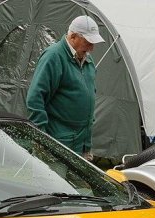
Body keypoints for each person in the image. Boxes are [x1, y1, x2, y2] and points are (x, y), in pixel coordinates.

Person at [26, 15, 104, 160]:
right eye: (88, 42)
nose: (92, 48)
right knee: (54, 183)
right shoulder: (53, 56)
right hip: (57, 144)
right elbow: (35, 99)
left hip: (82, 144)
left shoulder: (88, 59)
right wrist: (42, 140)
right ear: (73, 36)